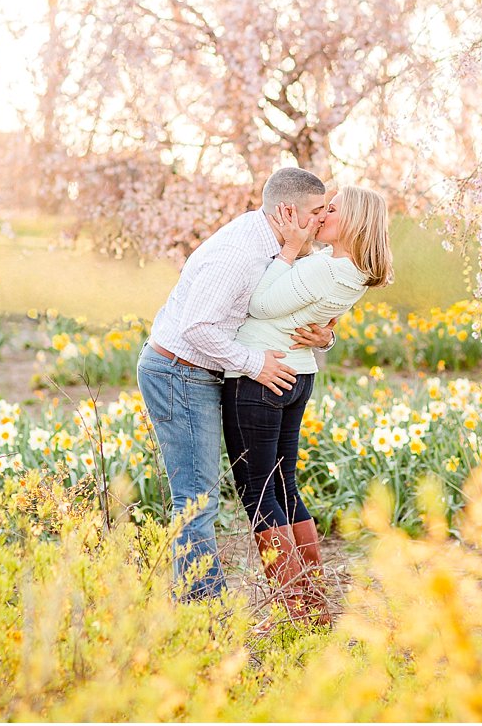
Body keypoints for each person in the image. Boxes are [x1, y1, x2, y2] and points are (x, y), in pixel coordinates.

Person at [137, 168, 337, 601]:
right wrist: (254, 365)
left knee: (207, 496)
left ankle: (238, 604)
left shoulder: (282, 247)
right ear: (288, 211)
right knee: (197, 499)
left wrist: (326, 336)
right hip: (178, 370)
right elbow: (197, 327)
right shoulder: (240, 254)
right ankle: (203, 613)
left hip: (205, 371)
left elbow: (282, 308)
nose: (323, 219)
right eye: (317, 211)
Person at [221, 186, 393, 625]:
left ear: (352, 221)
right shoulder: (354, 271)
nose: (320, 216)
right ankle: (312, 599)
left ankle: (298, 608)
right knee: (284, 487)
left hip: (263, 376)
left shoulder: (325, 268)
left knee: (258, 492)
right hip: (297, 374)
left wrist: (291, 246)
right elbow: (312, 320)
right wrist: (327, 336)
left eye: (330, 210)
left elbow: (259, 302)